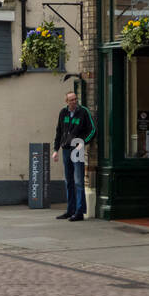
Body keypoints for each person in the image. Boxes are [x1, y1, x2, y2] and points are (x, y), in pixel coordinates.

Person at [51, 91, 95, 221]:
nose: (74, 101)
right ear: (67, 102)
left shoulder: (83, 112)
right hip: (65, 149)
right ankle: (70, 210)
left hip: (77, 149)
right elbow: (59, 131)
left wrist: (83, 143)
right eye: (71, 100)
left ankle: (79, 212)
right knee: (68, 181)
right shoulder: (63, 113)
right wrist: (55, 150)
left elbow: (92, 130)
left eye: (75, 99)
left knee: (78, 181)